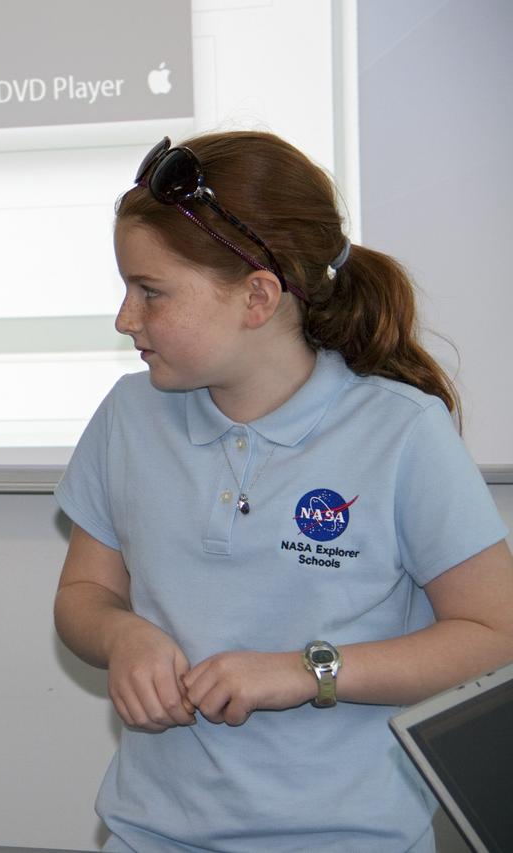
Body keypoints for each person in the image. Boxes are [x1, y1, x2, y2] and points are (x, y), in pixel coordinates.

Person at [52, 131, 513, 852]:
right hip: (151, 831)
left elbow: (495, 637)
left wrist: (308, 673)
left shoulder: (401, 431)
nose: (125, 318)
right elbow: (83, 595)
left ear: (257, 297)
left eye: (151, 291)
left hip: (351, 837)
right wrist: (121, 634)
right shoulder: (127, 417)